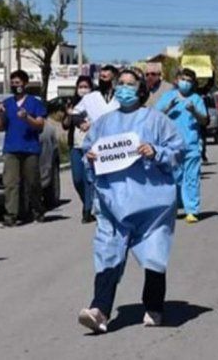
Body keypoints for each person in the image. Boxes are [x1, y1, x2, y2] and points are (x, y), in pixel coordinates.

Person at [77, 69, 185, 334]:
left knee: (153, 255)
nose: (124, 89)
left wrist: (155, 151)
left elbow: (178, 152)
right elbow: (88, 152)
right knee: (108, 252)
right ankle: (99, 309)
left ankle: (154, 306)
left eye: (130, 84)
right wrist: (90, 158)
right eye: (121, 84)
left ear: (141, 89)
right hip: (112, 201)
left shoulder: (157, 120)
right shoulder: (104, 123)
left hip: (152, 202)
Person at [156, 68, 208, 224]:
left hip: (191, 145)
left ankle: (192, 210)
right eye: (183, 79)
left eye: (189, 81)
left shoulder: (196, 99)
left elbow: (204, 120)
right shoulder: (168, 97)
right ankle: (176, 205)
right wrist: (168, 108)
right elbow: (155, 117)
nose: (185, 83)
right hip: (171, 146)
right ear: (177, 80)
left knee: (191, 178)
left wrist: (194, 111)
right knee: (174, 178)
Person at [0, 70, 47, 227]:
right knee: (11, 183)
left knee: (32, 183)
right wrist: (0, 114)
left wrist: (27, 117)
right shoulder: (7, 103)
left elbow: (40, 125)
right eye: (12, 83)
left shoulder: (34, 103)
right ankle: (11, 215)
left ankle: (37, 209)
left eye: (17, 83)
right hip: (11, 148)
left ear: (25, 84)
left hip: (30, 148)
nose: (15, 86)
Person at [62, 75, 96, 223]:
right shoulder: (73, 105)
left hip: (91, 147)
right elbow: (65, 125)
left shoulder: (96, 104)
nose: (83, 90)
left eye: (86, 87)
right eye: (80, 87)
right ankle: (87, 203)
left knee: (89, 180)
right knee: (78, 180)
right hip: (76, 146)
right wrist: (69, 114)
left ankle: (87, 211)